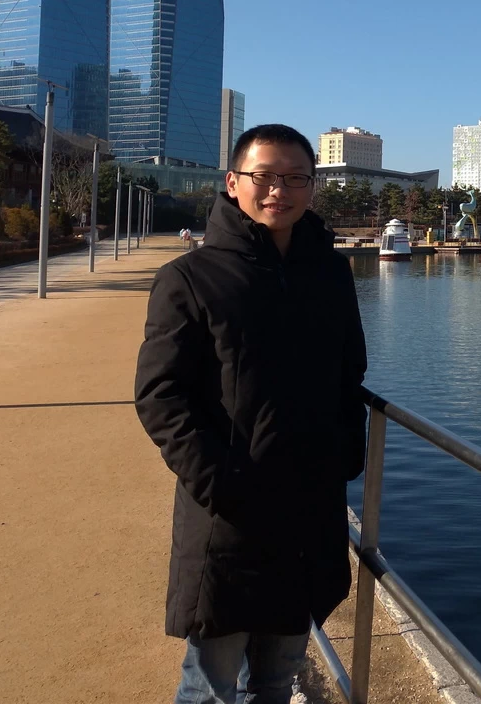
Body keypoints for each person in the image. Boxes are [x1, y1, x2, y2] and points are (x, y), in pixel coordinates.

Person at [135, 123, 368, 704]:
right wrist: (219, 481)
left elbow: (349, 375)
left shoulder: (331, 275)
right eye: (264, 176)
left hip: (308, 507)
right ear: (233, 182)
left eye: (295, 178)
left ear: (312, 187)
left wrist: (345, 455)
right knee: (211, 684)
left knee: (277, 679)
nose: (278, 191)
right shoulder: (190, 278)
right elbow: (161, 395)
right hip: (230, 514)